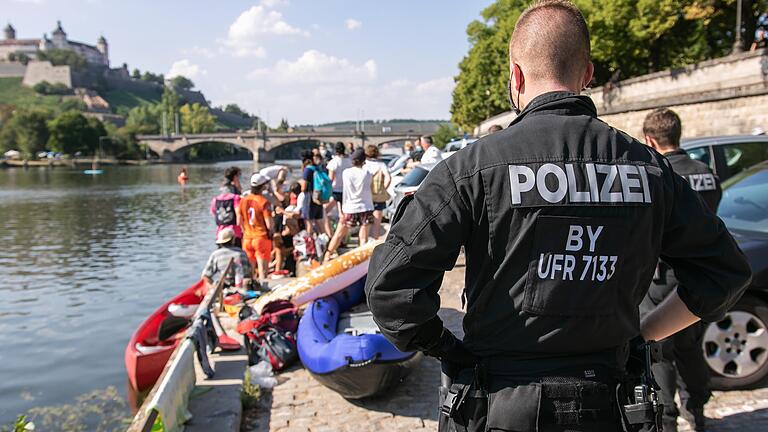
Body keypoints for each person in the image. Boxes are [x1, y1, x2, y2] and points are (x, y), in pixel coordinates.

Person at [364, 2, 752, 431]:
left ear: (515, 76)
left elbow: (390, 291)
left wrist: (452, 351)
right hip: (610, 402)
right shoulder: (649, 169)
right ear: (587, 75)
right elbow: (724, 273)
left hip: (500, 403)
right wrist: (644, 334)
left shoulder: (472, 168)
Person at [639, 108, 722, 432]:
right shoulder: (705, 171)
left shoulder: (656, 173)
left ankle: (666, 419)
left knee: (659, 352)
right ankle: (697, 410)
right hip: (695, 275)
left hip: (660, 276)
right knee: (690, 347)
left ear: (649, 140)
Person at [324, 148, 373, 261]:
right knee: (363, 238)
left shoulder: (346, 173)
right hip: (366, 206)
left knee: (339, 234)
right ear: (363, 160)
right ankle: (362, 261)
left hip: (350, 207)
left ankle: (327, 255)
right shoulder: (367, 173)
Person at [239, 173, 274, 282]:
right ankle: (263, 292)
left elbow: (239, 221)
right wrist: (272, 233)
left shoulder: (243, 200)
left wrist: (245, 232)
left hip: (247, 238)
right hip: (261, 238)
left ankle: (249, 291)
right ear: (263, 186)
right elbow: (269, 224)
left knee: (250, 270)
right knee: (263, 271)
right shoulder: (264, 202)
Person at [299, 150, 331, 236]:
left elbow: (304, 187)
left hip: (309, 198)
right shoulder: (317, 168)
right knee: (319, 223)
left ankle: (310, 246)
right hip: (318, 197)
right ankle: (326, 242)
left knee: (308, 223)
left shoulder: (307, 170)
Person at [363, 145, 391, 239]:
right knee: (377, 222)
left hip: (365, 196)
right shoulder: (381, 165)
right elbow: (388, 178)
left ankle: (363, 242)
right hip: (378, 196)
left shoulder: (364, 164)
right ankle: (375, 243)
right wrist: (384, 188)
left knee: (365, 222)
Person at [210, 173, 242, 246]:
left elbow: (214, 213)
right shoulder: (235, 198)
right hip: (234, 233)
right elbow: (239, 214)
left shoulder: (215, 199)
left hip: (220, 233)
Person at [327, 142, 352, 220]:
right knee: (344, 210)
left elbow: (330, 178)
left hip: (336, 189)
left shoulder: (333, 162)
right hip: (347, 189)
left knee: (325, 210)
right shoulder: (349, 160)